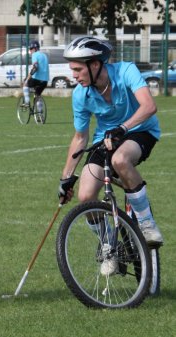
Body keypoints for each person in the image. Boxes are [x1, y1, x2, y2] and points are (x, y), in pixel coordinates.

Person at [58, 36, 163, 274]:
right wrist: (66, 178)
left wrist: (123, 128)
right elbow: (80, 138)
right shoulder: (80, 95)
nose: (73, 75)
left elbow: (149, 106)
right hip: (104, 140)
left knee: (120, 159)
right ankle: (108, 246)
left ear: (95, 65)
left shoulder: (126, 71)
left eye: (77, 69)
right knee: (85, 196)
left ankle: (146, 223)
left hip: (140, 131)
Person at [22, 40, 49, 112]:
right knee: (38, 95)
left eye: (30, 49)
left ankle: (27, 101)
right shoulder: (44, 55)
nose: (30, 51)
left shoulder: (35, 55)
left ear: (34, 49)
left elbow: (35, 67)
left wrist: (28, 78)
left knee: (25, 83)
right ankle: (40, 114)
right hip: (45, 80)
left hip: (36, 79)